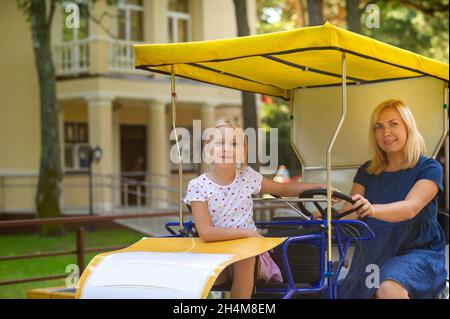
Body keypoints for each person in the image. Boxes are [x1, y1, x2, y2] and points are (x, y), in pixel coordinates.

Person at [184, 119, 331, 299]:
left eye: (234, 143)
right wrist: (248, 234)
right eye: (220, 142)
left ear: (243, 152)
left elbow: (282, 189)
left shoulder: (247, 177)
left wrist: (323, 187)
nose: (227, 148)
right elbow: (206, 232)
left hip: (248, 256)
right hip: (214, 256)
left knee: (246, 256)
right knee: (204, 268)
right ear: (207, 149)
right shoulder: (198, 186)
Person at [338, 100, 447, 299]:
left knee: (388, 288)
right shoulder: (367, 171)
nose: (385, 132)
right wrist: (325, 217)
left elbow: (410, 208)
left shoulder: (429, 168)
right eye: (379, 127)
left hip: (418, 254)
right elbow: (349, 213)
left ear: (408, 127)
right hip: (374, 252)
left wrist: (372, 210)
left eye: (393, 124)